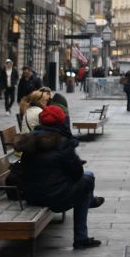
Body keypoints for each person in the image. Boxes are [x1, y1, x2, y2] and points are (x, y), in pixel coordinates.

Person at [14, 105, 104, 249]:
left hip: (31, 195)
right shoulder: (62, 142)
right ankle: (81, 237)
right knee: (87, 180)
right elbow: (77, 174)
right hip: (55, 197)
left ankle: (90, 202)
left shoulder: (29, 140)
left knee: (87, 178)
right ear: (61, 121)